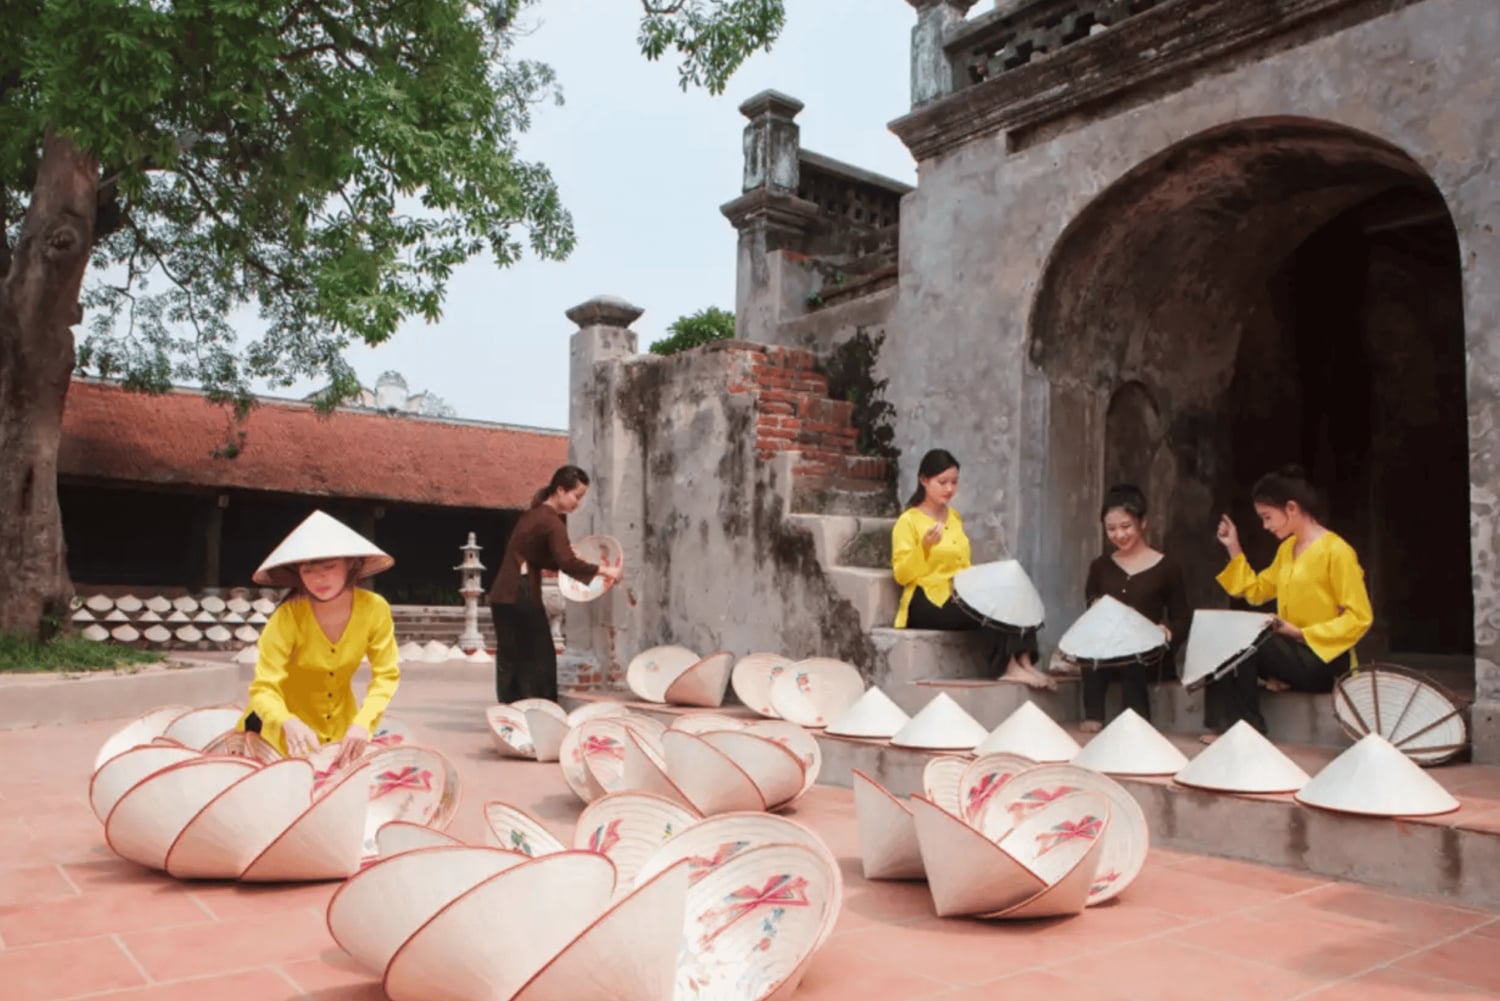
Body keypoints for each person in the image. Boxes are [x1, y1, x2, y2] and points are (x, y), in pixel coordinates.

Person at [1206, 465, 1373, 741]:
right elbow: (1256, 591)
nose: (1265, 526)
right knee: (1225, 634)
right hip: (1292, 654)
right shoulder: (1287, 549)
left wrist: (1300, 633)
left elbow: (1359, 617)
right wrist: (1232, 546)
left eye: (1268, 517)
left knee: (1252, 641)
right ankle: (1221, 725)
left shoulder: (1337, 551)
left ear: (1292, 508)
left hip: (1325, 660)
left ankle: (1249, 729)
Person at [237, 510, 401, 766]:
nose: (319, 578)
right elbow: (263, 688)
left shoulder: (374, 609)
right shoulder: (288, 616)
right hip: (282, 735)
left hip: (343, 733)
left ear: (351, 564)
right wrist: (287, 721)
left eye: (329, 567)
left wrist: (363, 722)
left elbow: (386, 676)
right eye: (308, 570)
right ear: (298, 574)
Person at [890, 449, 1052, 689]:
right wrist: (923, 547)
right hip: (926, 599)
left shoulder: (953, 517)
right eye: (942, 482)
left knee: (1011, 590)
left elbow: (963, 565)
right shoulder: (909, 521)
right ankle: (1007, 667)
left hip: (957, 591)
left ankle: (1025, 662)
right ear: (924, 481)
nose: (949, 489)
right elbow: (902, 574)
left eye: (954, 482)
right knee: (988, 607)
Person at [488, 465, 623, 703]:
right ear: (560, 490)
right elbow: (567, 562)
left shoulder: (533, 514)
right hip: (520, 594)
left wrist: (571, 561)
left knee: (512, 656)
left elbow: (539, 558)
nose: (577, 503)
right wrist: (605, 570)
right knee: (539, 658)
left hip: (503, 594)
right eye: (576, 496)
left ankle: (511, 711)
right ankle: (538, 711)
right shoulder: (552, 522)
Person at [1078, 484, 1191, 732]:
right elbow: (1091, 607)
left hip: (1148, 655)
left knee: (1134, 651)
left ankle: (1137, 724)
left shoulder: (1167, 567)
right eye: (1111, 529)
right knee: (1089, 646)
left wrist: (1167, 631)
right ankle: (1093, 715)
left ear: (1143, 523)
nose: (1119, 534)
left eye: (1126, 526)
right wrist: (1096, 608)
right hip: (1108, 651)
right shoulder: (1100, 567)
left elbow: (1182, 617)